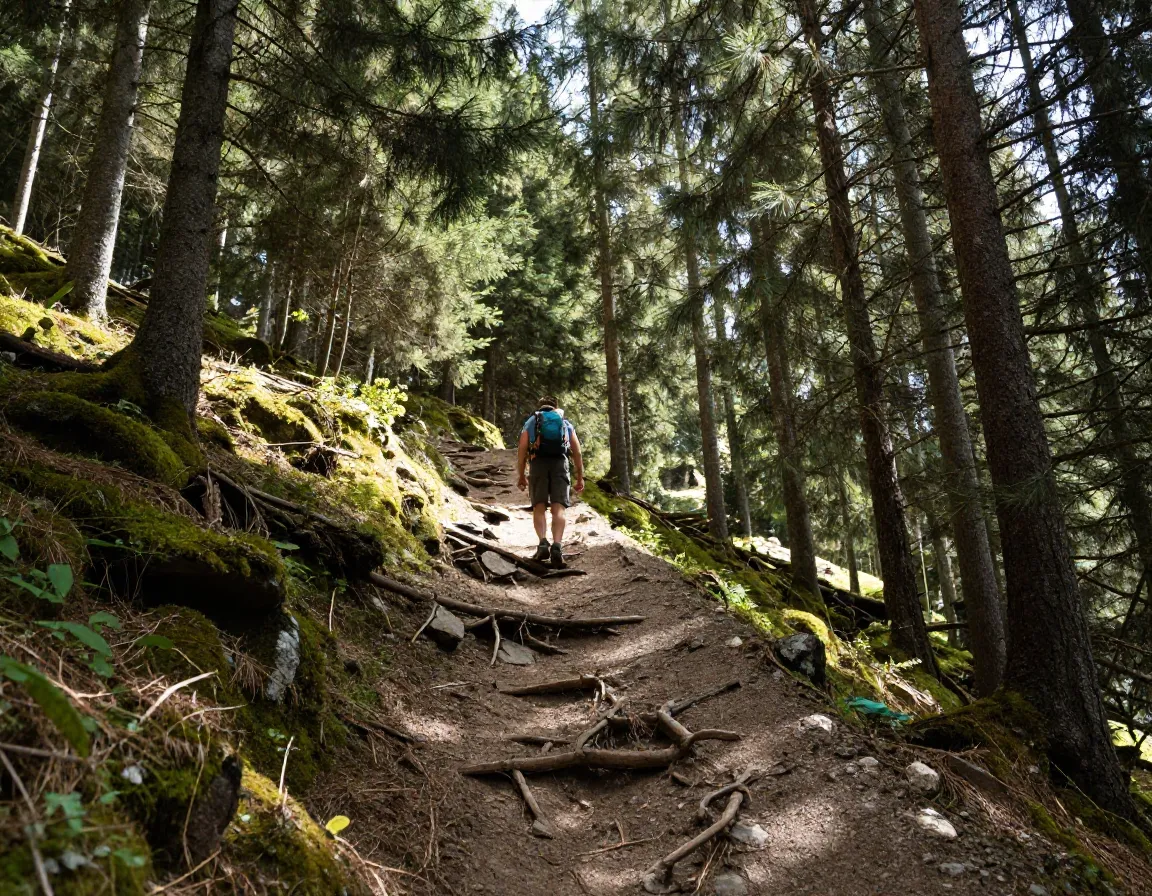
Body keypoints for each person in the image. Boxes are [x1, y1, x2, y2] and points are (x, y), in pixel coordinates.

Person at [516, 396, 585, 568]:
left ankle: (542, 543)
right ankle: (557, 546)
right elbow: (577, 452)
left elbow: (522, 449)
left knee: (539, 506)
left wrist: (521, 475)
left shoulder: (533, 421)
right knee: (558, 508)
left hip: (538, 463)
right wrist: (580, 476)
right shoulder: (564, 423)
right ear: (556, 408)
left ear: (540, 407)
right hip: (560, 464)